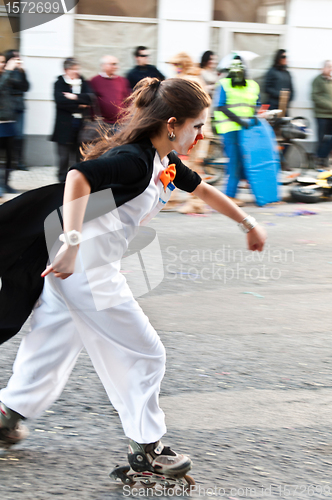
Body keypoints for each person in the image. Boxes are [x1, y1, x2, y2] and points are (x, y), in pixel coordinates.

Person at [0, 77, 266, 482]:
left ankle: (7, 413)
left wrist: (248, 223)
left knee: (51, 343)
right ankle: (147, 449)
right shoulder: (136, 159)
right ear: (173, 123)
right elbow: (78, 178)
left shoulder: (165, 162)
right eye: (197, 125)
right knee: (146, 353)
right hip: (84, 269)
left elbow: (205, 190)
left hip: (71, 268)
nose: (202, 134)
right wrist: (72, 243)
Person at [214, 56, 260, 206]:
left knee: (248, 161)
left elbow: (256, 104)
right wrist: (240, 121)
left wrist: (253, 118)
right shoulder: (224, 84)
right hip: (231, 129)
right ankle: (229, 196)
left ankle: (259, 193)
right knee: (234, 162)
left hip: (247, 129)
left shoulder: (253, 85)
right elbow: (220, 106)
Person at [51, 57, 93, 183]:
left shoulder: (83, 81)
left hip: (81, 125)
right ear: (66, 70)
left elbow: (90, 98)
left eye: (77, 69)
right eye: (73, 69)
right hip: (64, 125)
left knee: (79, 155)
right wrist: (80, 104)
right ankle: (62, 182)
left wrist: (74, 97)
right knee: (63, 157)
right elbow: (61, 102)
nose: (76, 71)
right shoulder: (59, 83)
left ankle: (77, 181)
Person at [89, 55, 131, 133]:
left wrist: (125, 117)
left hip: (119, 124)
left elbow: (128, 100)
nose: (115, 67)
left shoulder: (122, 81)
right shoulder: (95, 81)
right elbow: (90, 100)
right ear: (103, 66)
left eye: (116, 64)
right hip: (102, 125)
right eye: (112, 64)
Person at [4, 49, 30, 171]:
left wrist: (22, 72)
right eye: (14, 58)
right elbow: (8, 85)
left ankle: (19, 161)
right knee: (10, 136)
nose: (17, 60)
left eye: (18, 57)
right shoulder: (5, 71)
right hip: (8, 107)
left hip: (19, 106)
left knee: (19, 135)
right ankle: (10, 161)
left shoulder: (20, 71)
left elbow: (26, 87)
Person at [0, 53, 20, 196]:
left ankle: (6, 184)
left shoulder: (8, 76)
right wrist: (8, 72)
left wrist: (20, 71)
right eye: (0, 62)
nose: (2, 64)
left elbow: (23, 86)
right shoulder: (5, 77)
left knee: (9, 157)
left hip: (9, 121)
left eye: (3, 62)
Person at [311, 60, 332, 168]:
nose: (330, 69)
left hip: (331, 115)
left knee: (330, 139)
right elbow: (315, 97)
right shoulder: (317, 80)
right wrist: (330, 106)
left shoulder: (330, 81)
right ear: (323, 68)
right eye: (328, 67)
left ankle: (323, 158)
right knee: (322, 139)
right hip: (322, 115)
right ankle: (319, 160)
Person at [264, 49, 294, 113]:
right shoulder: (272, 71)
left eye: (286, 57)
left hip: (284, 106)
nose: (285, 59)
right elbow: (267, 88)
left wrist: (289, 97)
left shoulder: (287, 73)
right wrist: (280, 94)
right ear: (278, 58)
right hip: (274, 105)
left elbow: (291, 88)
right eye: (283, 57)